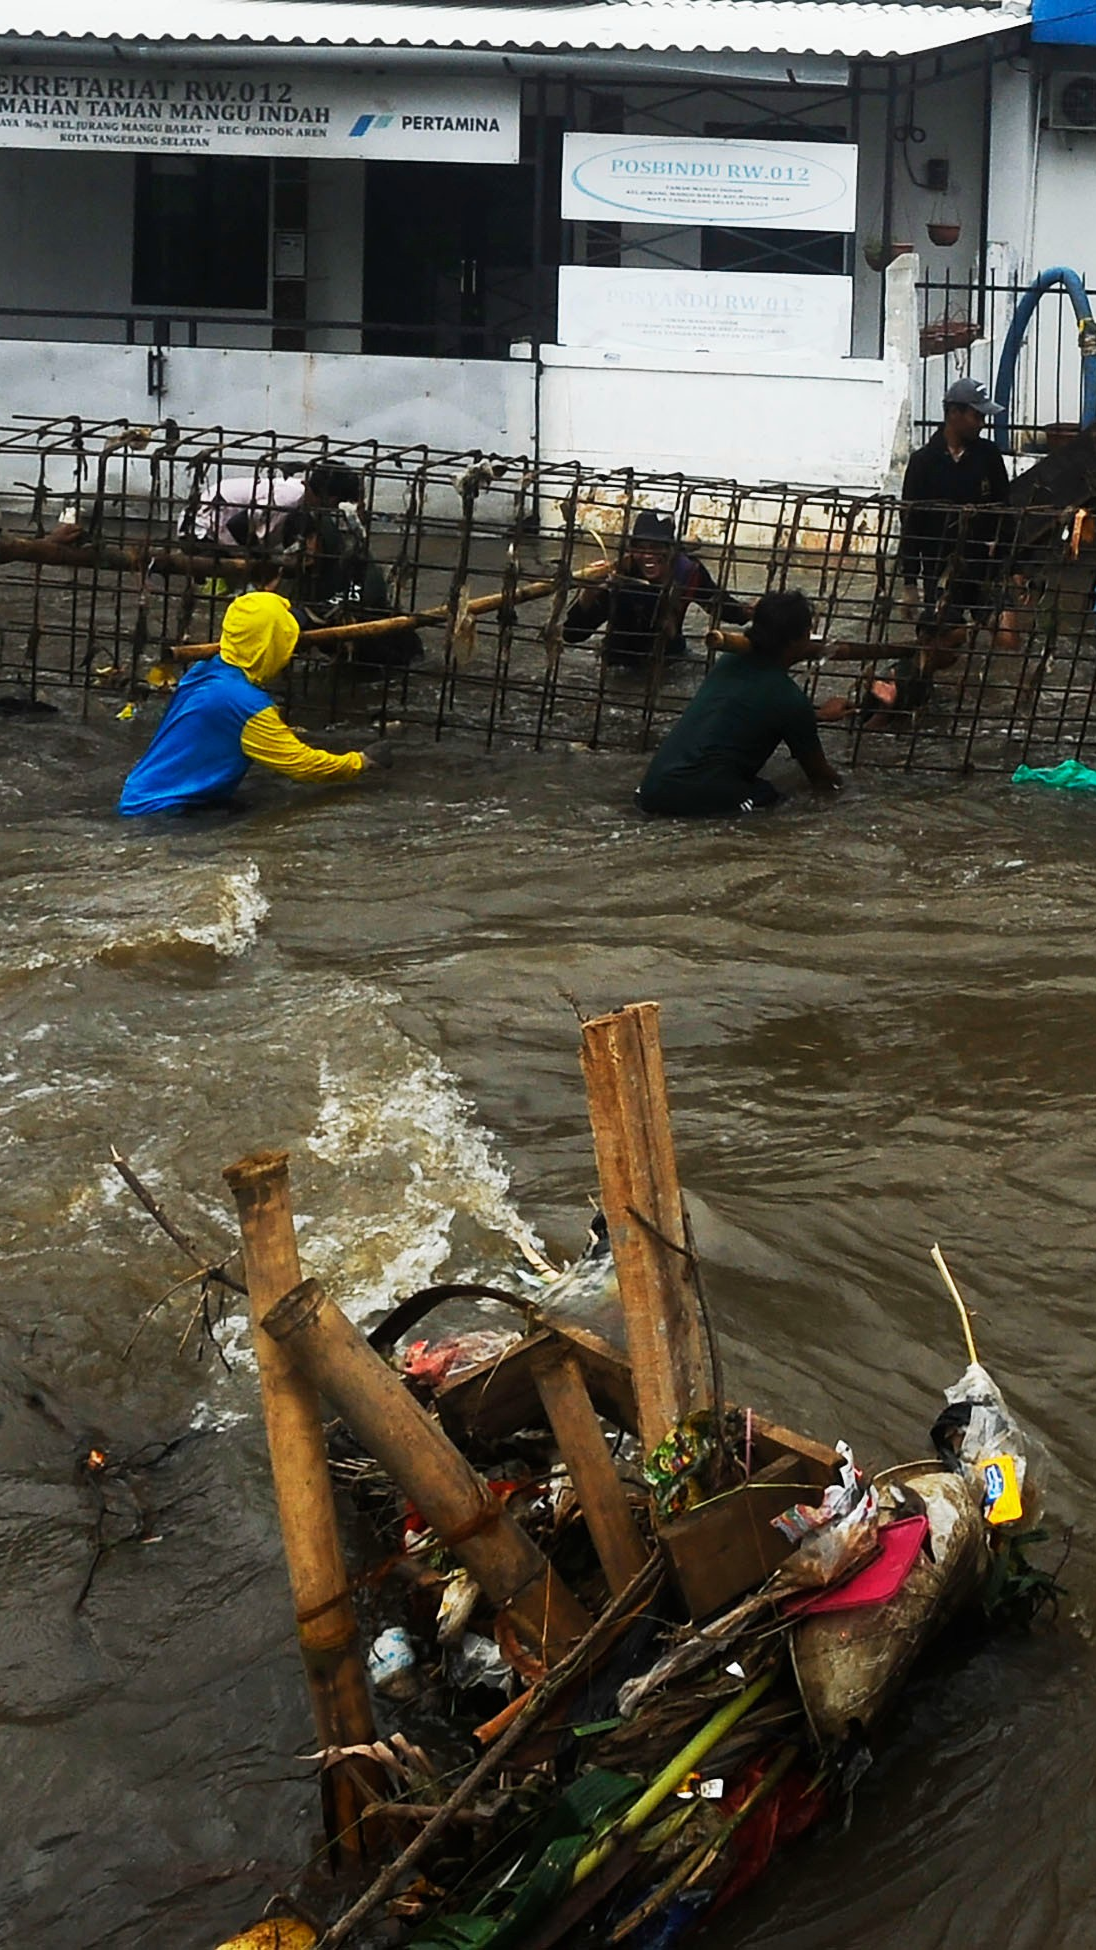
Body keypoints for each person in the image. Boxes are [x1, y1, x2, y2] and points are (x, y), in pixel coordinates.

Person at [117, 563, 390, 816]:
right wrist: (362, 762)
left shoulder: (206, 670)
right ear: (272, 643)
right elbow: (301, 764)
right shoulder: (246, 705)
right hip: (166, 812)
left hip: (141, 795)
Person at [872, 375, 1012, 720]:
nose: (981, 422)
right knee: (945, 645)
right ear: (954, 413)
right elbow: (912, 525)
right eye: (976, 415)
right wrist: (909, 584)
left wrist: (1010, 566)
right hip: (940, 572)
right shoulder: (923, 462)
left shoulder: (988, 455)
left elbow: (1006, 512)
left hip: (981, 566)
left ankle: (1001, 699)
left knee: (1008, 640)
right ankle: (912, 686)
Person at [636, 590, 842, 818]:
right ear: (801, 638)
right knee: (782, 804)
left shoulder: (729, 662)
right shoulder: (790, 699)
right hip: (691, 799)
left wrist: (817, 716)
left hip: (649, 790)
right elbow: (822, 779)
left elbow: (753, 710)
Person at [563, 510, 745, 669]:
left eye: (656, 547)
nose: (648, 555)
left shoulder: (688, 573)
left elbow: (726, 609)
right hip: (620, 662)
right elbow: (573, 635)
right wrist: (588, 595)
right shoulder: (620, 575)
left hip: (671, 659)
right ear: (631, 550)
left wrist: (753, 610)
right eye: (640, 548)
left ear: (672, 550)